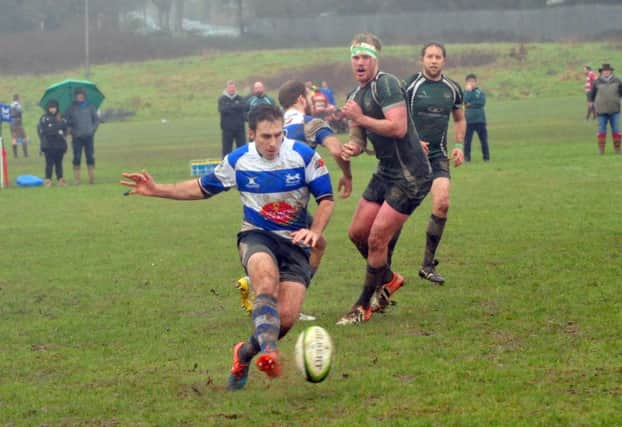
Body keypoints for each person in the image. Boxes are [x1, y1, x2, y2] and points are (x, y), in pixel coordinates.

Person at [121, 104, 335, 390]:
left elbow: (327, 199)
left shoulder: (304, 156)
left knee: (285, 318)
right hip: (257, 235)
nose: (273, 143)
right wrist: (157, 189)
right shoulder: (239, 161)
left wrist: (315, 231)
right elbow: (201, 187)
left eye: (277, 135)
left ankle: (245, 353)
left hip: (296, 241)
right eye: (265, 137)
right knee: (265, 280)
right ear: (252, 134)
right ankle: (270, 352)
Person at [336, 32, 433, 325]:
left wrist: (361, 119)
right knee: (357, 234)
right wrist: (352, 146)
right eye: (356, 57)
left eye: (366, 57)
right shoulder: (355, 96)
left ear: (376, 59)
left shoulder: (387, 84)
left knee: (377, 238)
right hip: (386, 171)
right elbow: (358, 137)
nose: (360, 63)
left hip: (411, 173)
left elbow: (399, 127)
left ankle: (362, 306)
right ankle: (389, 279)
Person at [235, 80, 352, 319]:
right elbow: (337, 149)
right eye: (308, 96)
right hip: (290, 198)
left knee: (316, 243)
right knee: (308, 244)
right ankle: (284, 295)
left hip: (267, 194)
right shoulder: (310, 123)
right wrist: (347, 175)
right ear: (301, 98)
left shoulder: (277, 122)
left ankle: (262, 282)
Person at [404, 41, 466, 285]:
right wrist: (413, 140)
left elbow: (460, 120)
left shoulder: (452, 88)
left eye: (438, 57)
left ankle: (427, 265)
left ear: (444, 61)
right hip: (408, 157)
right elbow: (396, 117)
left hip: (437, 155)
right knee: (397, 215)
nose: (433, 60)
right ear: (422, 59)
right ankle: (381, 268)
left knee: (442, 203)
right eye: (429, 56)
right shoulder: (409, 85)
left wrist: (459, 145)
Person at [65, 87, 100, 184]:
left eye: (81, 96)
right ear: (75, 97)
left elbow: (96, 120)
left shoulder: (90, 107)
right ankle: (77, 179)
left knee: (90, 157)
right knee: (76, 157)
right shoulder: (71, 108)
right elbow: (66, 121)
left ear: (84, 96)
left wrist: (92, 130)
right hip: (76, 137)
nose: (80, 97)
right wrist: (70, 126)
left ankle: (92, 178)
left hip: (89, 136)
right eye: (78, 96)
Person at [588, 63, 622, 154]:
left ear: (611, 71)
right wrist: (590, 102)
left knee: (616, 130)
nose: (606, 72)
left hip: (615, 109)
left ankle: (618, 150)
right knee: (601, 130)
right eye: (604, 71)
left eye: (608, 71)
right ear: (601, 72)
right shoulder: (596, 82)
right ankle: (601, 150)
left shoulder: (617, 80)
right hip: (601, 110)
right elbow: (591, 94)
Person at [37, 100, 68, 187]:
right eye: (51, 108)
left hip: (60, 145)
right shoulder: (44, 118)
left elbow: (65, 129)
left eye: (54, 107)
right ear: (48, 108)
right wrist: (56, 128)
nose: (53, 109)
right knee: (49, 163)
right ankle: (48, 180)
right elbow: (44, 131)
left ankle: (60, 179)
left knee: (59, 163)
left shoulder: (62, 117)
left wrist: (57, 125)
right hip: (48, 145)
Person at [463, 73, 490, 162]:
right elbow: (465, 101)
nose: (471, 83)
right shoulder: (465, 92)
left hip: (480, 120)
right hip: (468, 121)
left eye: (473, 81)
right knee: (467, 141)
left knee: (484, 140)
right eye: (469, 82)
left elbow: (481, 102)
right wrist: (468, 92)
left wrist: (470, 104)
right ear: (466, 83)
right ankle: (467, 158)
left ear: (476, 82)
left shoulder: (480, 92)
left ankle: (486, 158)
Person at [218, 80, 247, 158]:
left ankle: (243, 166)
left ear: (235, 89)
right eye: (230, 88)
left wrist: (230, 107)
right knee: (226, 150)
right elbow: (223, 110)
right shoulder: (222, 99)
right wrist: (235, 106)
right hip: (227, 129)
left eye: (233, 88)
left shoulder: (240, 98)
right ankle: (225, 167)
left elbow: (242, 108)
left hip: (240, 129)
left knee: (242, 149)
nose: (232, 89)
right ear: (227, 88)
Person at [10, 94, 29, 158]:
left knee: (14, 138)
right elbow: (20, 112)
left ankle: (15, 155)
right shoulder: (17, 105)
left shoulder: (11, 105)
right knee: (24, 137)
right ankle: (25, 154)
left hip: (11, 123)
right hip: (18, 122)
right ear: (18, 98)